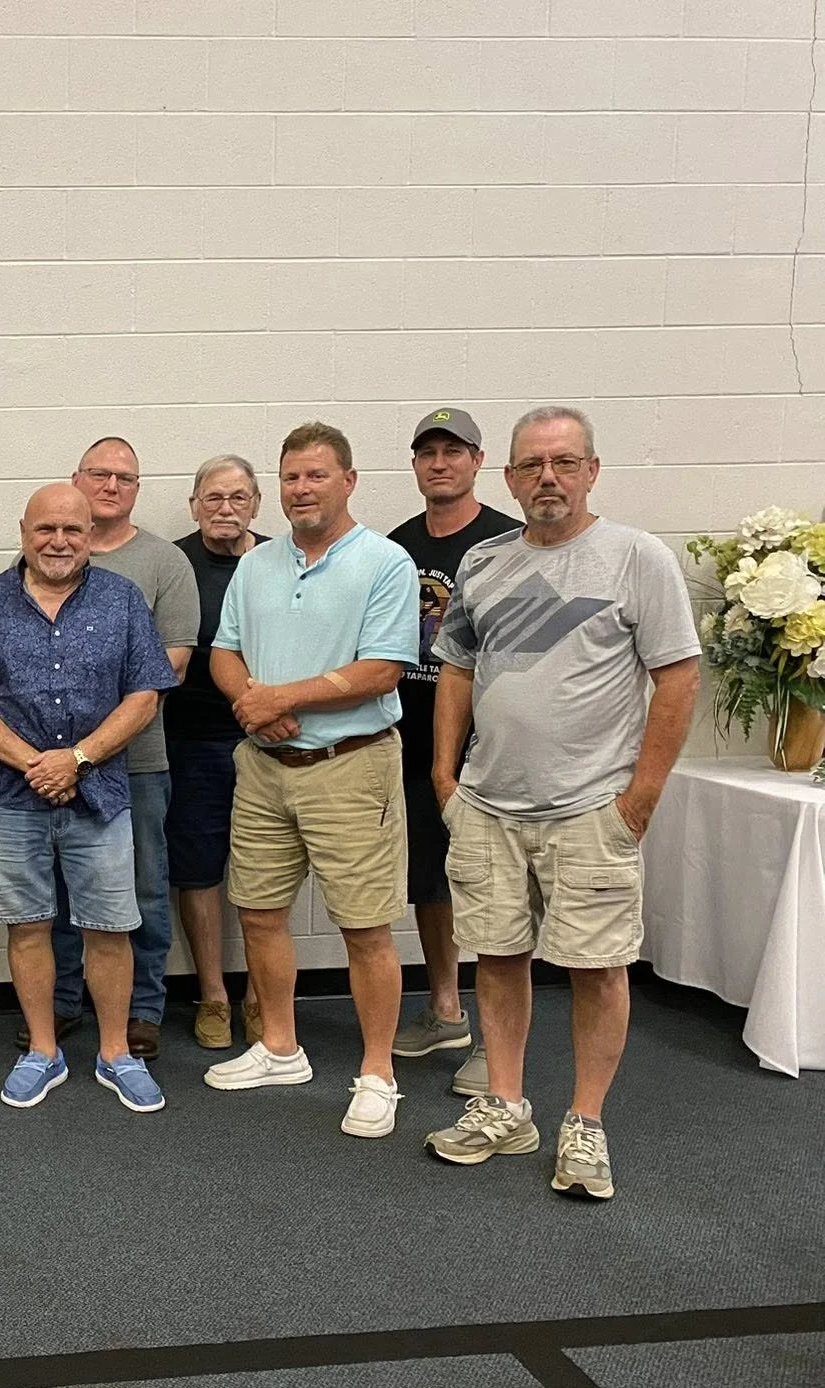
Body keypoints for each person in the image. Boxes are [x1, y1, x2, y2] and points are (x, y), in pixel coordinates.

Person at [425, 407, 700, 1201]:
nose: (548, 478)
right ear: (509, 478)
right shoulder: (483, 562)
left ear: (592, 471)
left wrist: (639, 798)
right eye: (532, 465)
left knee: (597, 968)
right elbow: (457, 669)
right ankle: (506, 1107)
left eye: (565, 462)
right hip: (488, 807)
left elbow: (678, 677)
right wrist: (445, 778)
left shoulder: (636, 558)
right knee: (497, 957)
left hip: (590, 809)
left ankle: (585, 1123)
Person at [201, 423, 419, 1140]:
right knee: (259, 912)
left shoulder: (384, 562)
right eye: (291, 477)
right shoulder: (256, 564)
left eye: (316, 475)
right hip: (265, 768)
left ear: (348, 481)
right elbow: (225, 651)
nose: (301, 489)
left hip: (349, 768)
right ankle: (279, 1047)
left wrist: (281, 698)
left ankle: (378, 1074)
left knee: (365, 927)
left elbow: (383, 669)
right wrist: (252, 704)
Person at [0, 484, 179, 1114]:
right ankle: (43, 1051)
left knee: (110, 928)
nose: (59, 541)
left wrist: (77, 759)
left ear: (89, 535)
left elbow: (146, 695)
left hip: (101, 794)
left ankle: (116, 1054)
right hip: (12, 796)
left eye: (72, 530)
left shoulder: (122, 599)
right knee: (28, 926)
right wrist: (34, 763)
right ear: (24, 532)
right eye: (46, 529)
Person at [42, 436, 199, 1061]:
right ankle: (63, 1001)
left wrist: (94, 732)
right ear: (75, 478)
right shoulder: (49, 552)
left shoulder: (164, 563)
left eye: (125, 478)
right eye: (99, 474)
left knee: (143, 887)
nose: (111, 486)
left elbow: (173, 665)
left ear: (137, 489)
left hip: (138, 761)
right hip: (54, 765)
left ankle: (142, 1008)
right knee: (60, 887)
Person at [385, 409, 519, 1094]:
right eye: (427, 453)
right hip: (409, 739)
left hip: (486, 747)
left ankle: (497, 1045)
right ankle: (445, 1009)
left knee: (489, 889)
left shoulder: (509, 543)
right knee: (429, 881)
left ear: (478, 460)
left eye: (453, 452)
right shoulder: (397, 546)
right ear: (415, 465)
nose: (440, 464)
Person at [165, 454, 269, 1051]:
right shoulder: (175, 564)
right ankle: (212, 995)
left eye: (238, 498)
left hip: (268, 738)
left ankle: (261, 995)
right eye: (213, 498)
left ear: (256, 504)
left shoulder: (280, 560)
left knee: (265, 868)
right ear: (194, 505)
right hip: (191, 739)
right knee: (198, 869)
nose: (225, 509)